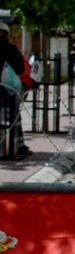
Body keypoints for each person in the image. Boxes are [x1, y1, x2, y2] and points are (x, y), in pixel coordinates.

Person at [0, 23, 30, 158]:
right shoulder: (11, 49)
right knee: (14, 116)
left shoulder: (11, 49)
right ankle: (17, 145)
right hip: (9, 89)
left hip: (6, 89)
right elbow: (20, 69)